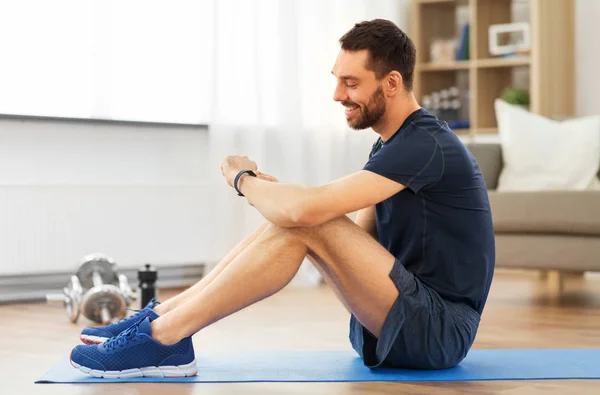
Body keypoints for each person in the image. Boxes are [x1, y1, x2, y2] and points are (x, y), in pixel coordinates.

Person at [70, 19, 495, 378]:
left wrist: (245, 180)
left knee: (304, 218)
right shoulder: (391, 147)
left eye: (351, 83)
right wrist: (284, 207)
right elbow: (359, 238)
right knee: (299, 220)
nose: (337, 95)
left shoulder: (426, 145)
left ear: (392, 82)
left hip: (439, 330)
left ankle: (164, 340)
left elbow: (311, 214)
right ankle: (158, 322)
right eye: (337, 80)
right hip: (399, 320)